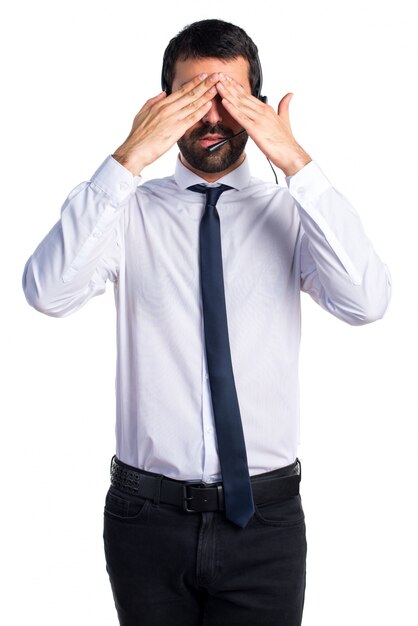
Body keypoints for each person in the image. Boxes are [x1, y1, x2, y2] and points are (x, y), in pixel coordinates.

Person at [22, 18, 391, 626]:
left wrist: (295, 160)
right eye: (193, 97)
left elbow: (367, 301)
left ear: (259, 110)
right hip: (145, 524)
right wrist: (127, 157)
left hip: (265, 524)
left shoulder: (292, 213)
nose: (212, 117)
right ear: (162, 107)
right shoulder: (126, 210)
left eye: (230, 99)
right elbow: (47, 292)